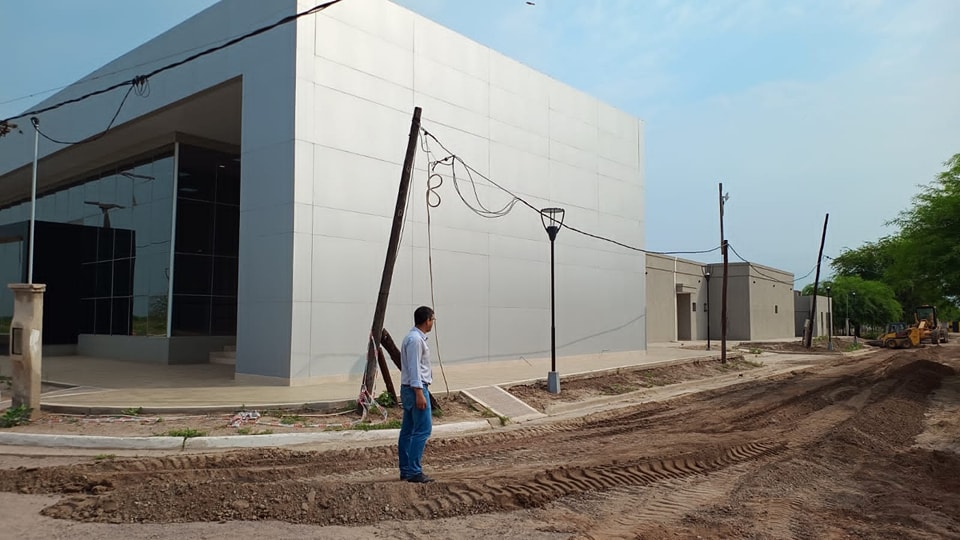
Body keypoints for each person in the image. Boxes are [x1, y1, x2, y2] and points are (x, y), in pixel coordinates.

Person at [398, 306, 436, 483]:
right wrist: (419, 393)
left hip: (410, 389)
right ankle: (413, 470)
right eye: (432, 320)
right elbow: (414, 369)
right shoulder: (415, 340)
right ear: (427, 320)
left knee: (408, 430)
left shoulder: (413, 338)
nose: (433, 323)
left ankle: (406, 469)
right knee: (422, 430)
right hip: (416, 389)